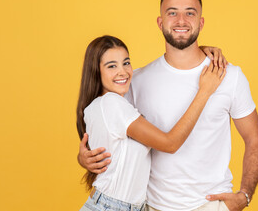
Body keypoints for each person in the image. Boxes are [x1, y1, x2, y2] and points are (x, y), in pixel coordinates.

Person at [78, 0, 258, 211]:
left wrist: (244, 195)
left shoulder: (229, 76)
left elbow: (254, 140)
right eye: (172, 13)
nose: (181, 21)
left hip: (212, 205)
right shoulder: (134, 81)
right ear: (160, 22)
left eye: (190, 13)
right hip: (152, 206)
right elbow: (105, 125)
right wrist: (85, 156)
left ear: (201, 22)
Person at [77, 35, 225, 211]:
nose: (122, 72)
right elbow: (170, 143)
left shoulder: (100, 106)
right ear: (96, 70)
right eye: (111, 66)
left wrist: (197, 52)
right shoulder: (111, 103)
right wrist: (205, 91)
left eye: (126, 62)